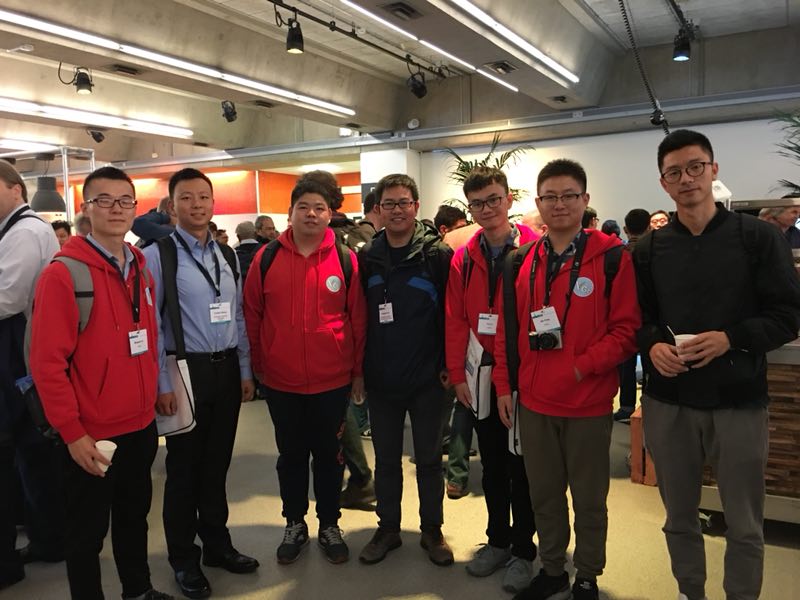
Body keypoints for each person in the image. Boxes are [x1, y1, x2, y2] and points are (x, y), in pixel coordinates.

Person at [633, 129, 800, 600]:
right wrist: (652, 345)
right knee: (678, 517)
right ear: (663, 183)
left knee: (744, 521)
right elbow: (638, 319)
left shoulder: (758, 238)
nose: (686, 179)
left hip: (738, 400)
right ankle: (691, 591)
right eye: (674, 172)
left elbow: (788, 315)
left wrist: (731, 338)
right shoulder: (648, 248)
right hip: (670, 399)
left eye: (695, 167)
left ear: (713, 170)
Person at [493, 159, 640, 600]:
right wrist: (503, 385)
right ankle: (553, 569)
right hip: (534, 403)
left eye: (569, 195)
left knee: (590, 499)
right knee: (545, 496)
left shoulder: (611, 258)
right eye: (550, 197)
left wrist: (580, 366)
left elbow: (627, 331)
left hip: (587, 404)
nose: (559, 204)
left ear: (585, 200)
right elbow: (506, 331)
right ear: (538, 203)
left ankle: (588, 574)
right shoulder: (521, 260)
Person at [29, 166, 172, 600]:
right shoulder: (63, 275)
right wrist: (72, 433)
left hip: (140, 425)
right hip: (92, 434)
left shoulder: (140, 267)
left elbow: (148, 338)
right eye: (103, 200)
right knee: (86, 533)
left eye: (125, 201)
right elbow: (47, 364)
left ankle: (138, 590)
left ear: (135, 208)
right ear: (86, 208)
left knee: (133, 519)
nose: (115, 209)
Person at [143, 168, 257, 600]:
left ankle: (217, 545)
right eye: (186, 198)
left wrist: (244, 370)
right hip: (183, 371)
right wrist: (161, 383)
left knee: (216, 464)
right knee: (183, 470)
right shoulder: (159, 255)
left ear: (213, 203)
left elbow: (238, 315)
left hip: (224, 370)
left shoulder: (226, 255)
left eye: (203, 197)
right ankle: (182, 558)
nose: (196, 205)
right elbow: (153, 326)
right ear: (172, 206)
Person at [244, 179, 366, 565]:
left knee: (329, 456)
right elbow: (252, 315)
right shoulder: (266, 259)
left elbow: (357, 318)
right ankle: (294, 523)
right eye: (303, 207)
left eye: (319, 208)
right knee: (291, 456)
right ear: (290, 213)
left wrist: (358, 372)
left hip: (332, 381)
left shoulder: (345, 259)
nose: (311, 214)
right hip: (282, 381)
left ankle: (329, 523)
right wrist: (258, 366)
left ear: (330, 214)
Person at [445, 166, 538, 594]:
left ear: (508, 199)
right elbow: (455, 317)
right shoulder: (465, 256)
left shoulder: (535, 248)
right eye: (477, 203)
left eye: (493, 199)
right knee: (494, 465)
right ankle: (498, 540)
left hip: (525, 371)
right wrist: (456, 375)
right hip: (480, 372)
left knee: (524, 467)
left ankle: (524, 550)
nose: (487, 209)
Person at [357, 173, 455, 567]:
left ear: (416, 206)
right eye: (389, 204)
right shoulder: (367, 256)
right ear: (378, 210)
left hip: (429, 379)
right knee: (385, 461)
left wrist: (449, 366)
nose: (396, 210)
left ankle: (432, 531)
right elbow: (358, 316)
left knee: (429, 461)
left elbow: (453, 315)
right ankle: (388, 530)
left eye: (404, 202)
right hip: (381, 379)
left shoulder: (437, 255)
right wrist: (358, 371)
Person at [0, 161, 62, 590]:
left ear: (15, 189)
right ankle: (45, 534)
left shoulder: (24, 232)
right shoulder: (17, 229)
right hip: (21, 355)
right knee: (32, 455)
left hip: (23, 359)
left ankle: (49, 538)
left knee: (33, 452)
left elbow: (8, 297)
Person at [613, 208, 651, 422]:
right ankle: (646, 407)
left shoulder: (619, 254)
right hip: (649, 318)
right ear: (649, 227)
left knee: (626, 365)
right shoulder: (655, 253)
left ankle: (626, 407)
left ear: (626, 229)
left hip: (625, 318)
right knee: (650, 364)